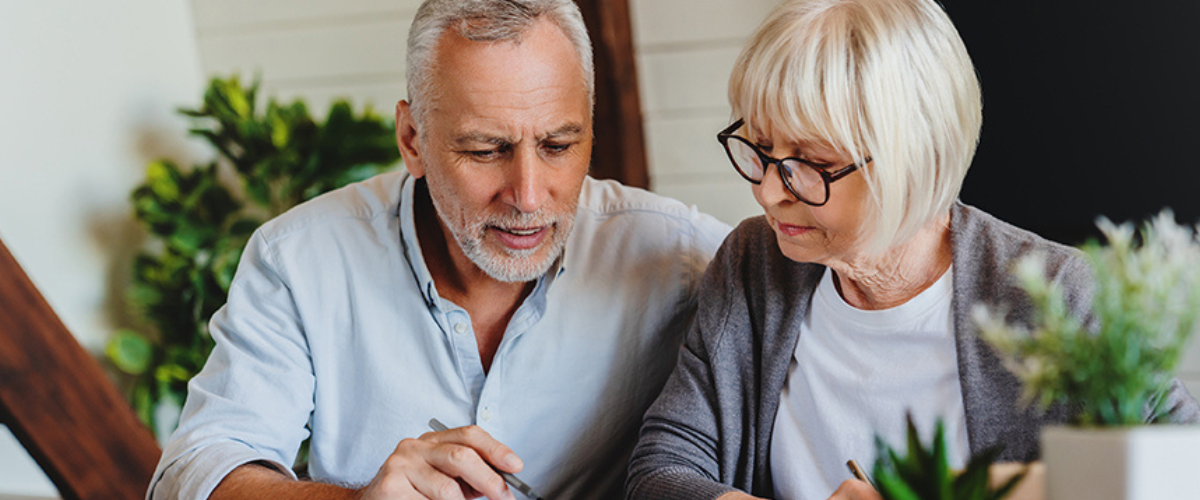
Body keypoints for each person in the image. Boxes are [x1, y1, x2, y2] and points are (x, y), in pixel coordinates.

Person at [146, 1, 731, 499]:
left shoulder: (679, 255)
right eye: (484, 150)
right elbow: (195, 470)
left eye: (558, 144)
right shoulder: (298, 259)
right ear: (412, 140)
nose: (528, 197)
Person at [625, 0, 1200, 499]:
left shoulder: (1057, 295)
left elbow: (1182, 469)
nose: (769, 192)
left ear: (912, 162)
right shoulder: (753, 263)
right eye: (760, 149)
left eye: (811, 165)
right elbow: (660, 471)